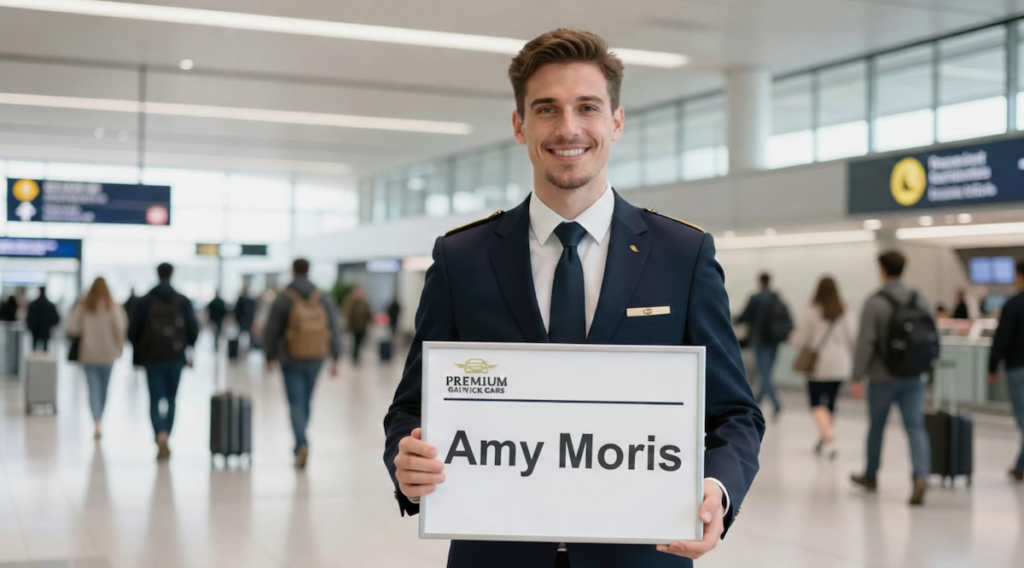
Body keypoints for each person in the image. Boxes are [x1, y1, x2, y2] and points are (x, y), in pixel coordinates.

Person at [383, 29, 765, 568]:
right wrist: (406, 459)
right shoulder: (461, 258)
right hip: (495, 553)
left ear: (616, 121)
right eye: (546, 109)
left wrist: (717, 488)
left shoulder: (682, 254)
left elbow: (735, 413)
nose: (568, 128)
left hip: (642, 553)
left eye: (588, 107)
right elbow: (410, 407)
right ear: (519, 125)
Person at [850, 251, 933, 505]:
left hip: (881, 377)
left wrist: (857, 375)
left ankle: (871, 474)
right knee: (915, 426)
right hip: (913, 376)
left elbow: (866, 342)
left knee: (877, 426)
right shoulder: (920, 299)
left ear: (882, 270)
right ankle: (920, 475)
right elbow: (931, 336)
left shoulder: (875, 302)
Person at [263, 259, 342, 469]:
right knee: (306, 400)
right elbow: (334, 326)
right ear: (309, 271)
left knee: (295, 402)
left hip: (290, 357)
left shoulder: (284, 297)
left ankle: (301, 443)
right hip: (317, 356)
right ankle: (302, 437)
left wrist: (269, 356)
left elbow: (272, 328)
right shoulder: (322, 296)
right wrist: (336, 357)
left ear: (293, 271)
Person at [128, 263, 199, 461]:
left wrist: (136, 357)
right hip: (176, 357)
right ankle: (167, 433)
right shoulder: (182, 300)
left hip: (151, 357)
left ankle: (159, 433)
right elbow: (193, 329)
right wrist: (189, 351)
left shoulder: (145, 301)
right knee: (171, 398)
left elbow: (134, 332)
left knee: (154, 399)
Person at [789, 276, 857, 458]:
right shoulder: (846, 311)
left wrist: (793, 339)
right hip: (840, 364)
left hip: (818, 365)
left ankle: (830, 439)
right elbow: (853, 339)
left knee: (816, 402)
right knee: (831, 402)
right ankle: (826, 435)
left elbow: (801, 338)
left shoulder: (811, 311)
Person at [67, 277, 127, 440]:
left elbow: (72, 328)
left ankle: (96, 422)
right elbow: (120, 329)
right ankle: (100, 418)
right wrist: (119, 348)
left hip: (88, 353)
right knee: (104, 389)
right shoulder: (113, 307)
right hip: (108, 354)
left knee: (93, 388)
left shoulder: (84, 306)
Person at [987, 259, 1024, 483]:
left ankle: (1020, 466)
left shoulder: (1013, 305)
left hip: (1017, 367)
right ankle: (1020, 465)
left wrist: (992, 366)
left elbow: (1002, 338)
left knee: (1022, 415)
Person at [736, 273, 792, 417]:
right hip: (774, 342)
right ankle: (758, 401)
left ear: (760, 282)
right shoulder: (777, 299)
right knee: (766, 373)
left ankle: (776, 404)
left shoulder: (755, 299)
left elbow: (744, 316)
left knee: (764, 374)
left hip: (759, 342)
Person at [26, 286, 61, 351]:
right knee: (44, 348)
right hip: (44, 330)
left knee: (36, 348)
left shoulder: (34, 305)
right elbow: (56, 319)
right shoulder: (49, 305)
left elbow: (29, 319)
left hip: (37, 330)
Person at [344, 286, 372, 364]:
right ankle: (355, 356)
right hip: (354, 327)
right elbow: (347, 313)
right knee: (355, 342)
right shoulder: (351, 302)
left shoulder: (364, 303)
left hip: (362, 326)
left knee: (360, 342)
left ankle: (356, 354)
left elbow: (368, 313)